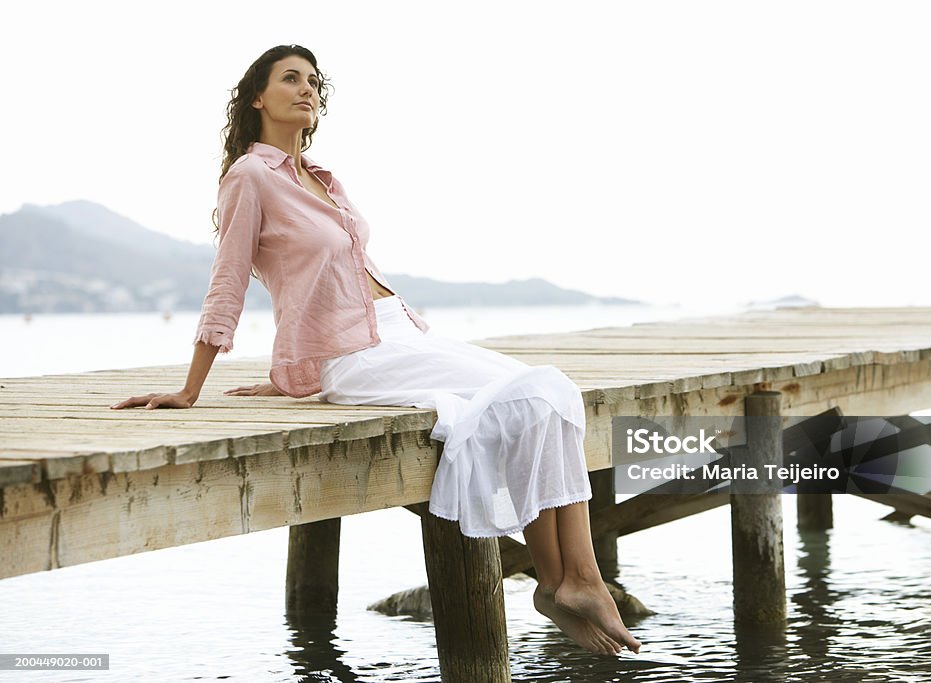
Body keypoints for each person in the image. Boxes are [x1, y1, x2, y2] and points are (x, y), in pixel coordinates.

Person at [111, 44, 641, 656]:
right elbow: (227, 282)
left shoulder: (326, 180)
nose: (307, 88)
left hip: (401, 333)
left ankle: (561, 581)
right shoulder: (248, 177)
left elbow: (343, 275)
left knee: (551, 395)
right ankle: (579, 579)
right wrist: (190, 388)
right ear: (258, 97)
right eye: (290, 79)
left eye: (313, 80)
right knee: (541, 391)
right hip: (358, 354)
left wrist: (291, 374)